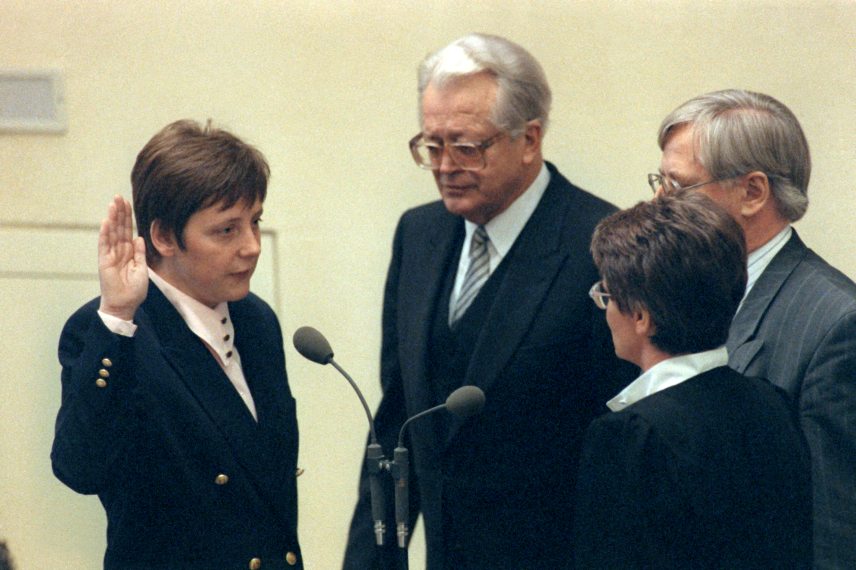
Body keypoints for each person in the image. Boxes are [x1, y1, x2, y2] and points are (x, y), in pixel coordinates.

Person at [342, 33, 635, 569]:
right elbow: (398, 419)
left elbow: (619, 448)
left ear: (529, 139)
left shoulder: (600, 244)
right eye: (432, 145)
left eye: (466, 146)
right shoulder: (419, 235)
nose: (444, 165)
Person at [51, 120, 303, 570]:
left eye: (255, 222)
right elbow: (79, 467)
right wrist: (117, 319)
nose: (252, 247)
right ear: (164, 237)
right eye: (226, 230)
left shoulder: (256, 320)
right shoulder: (113, 329)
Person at [654, 89, 856, 569]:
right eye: (658, 182)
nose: (658, 204)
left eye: (678, 188)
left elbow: (836, 525)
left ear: (752, 193)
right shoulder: (674, 290)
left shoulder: (835, 324)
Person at [575, 191, 812, 568]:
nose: (605, 310)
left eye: (607, 295)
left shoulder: (629, 437)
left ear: (641, 317)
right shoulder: (773, 403)